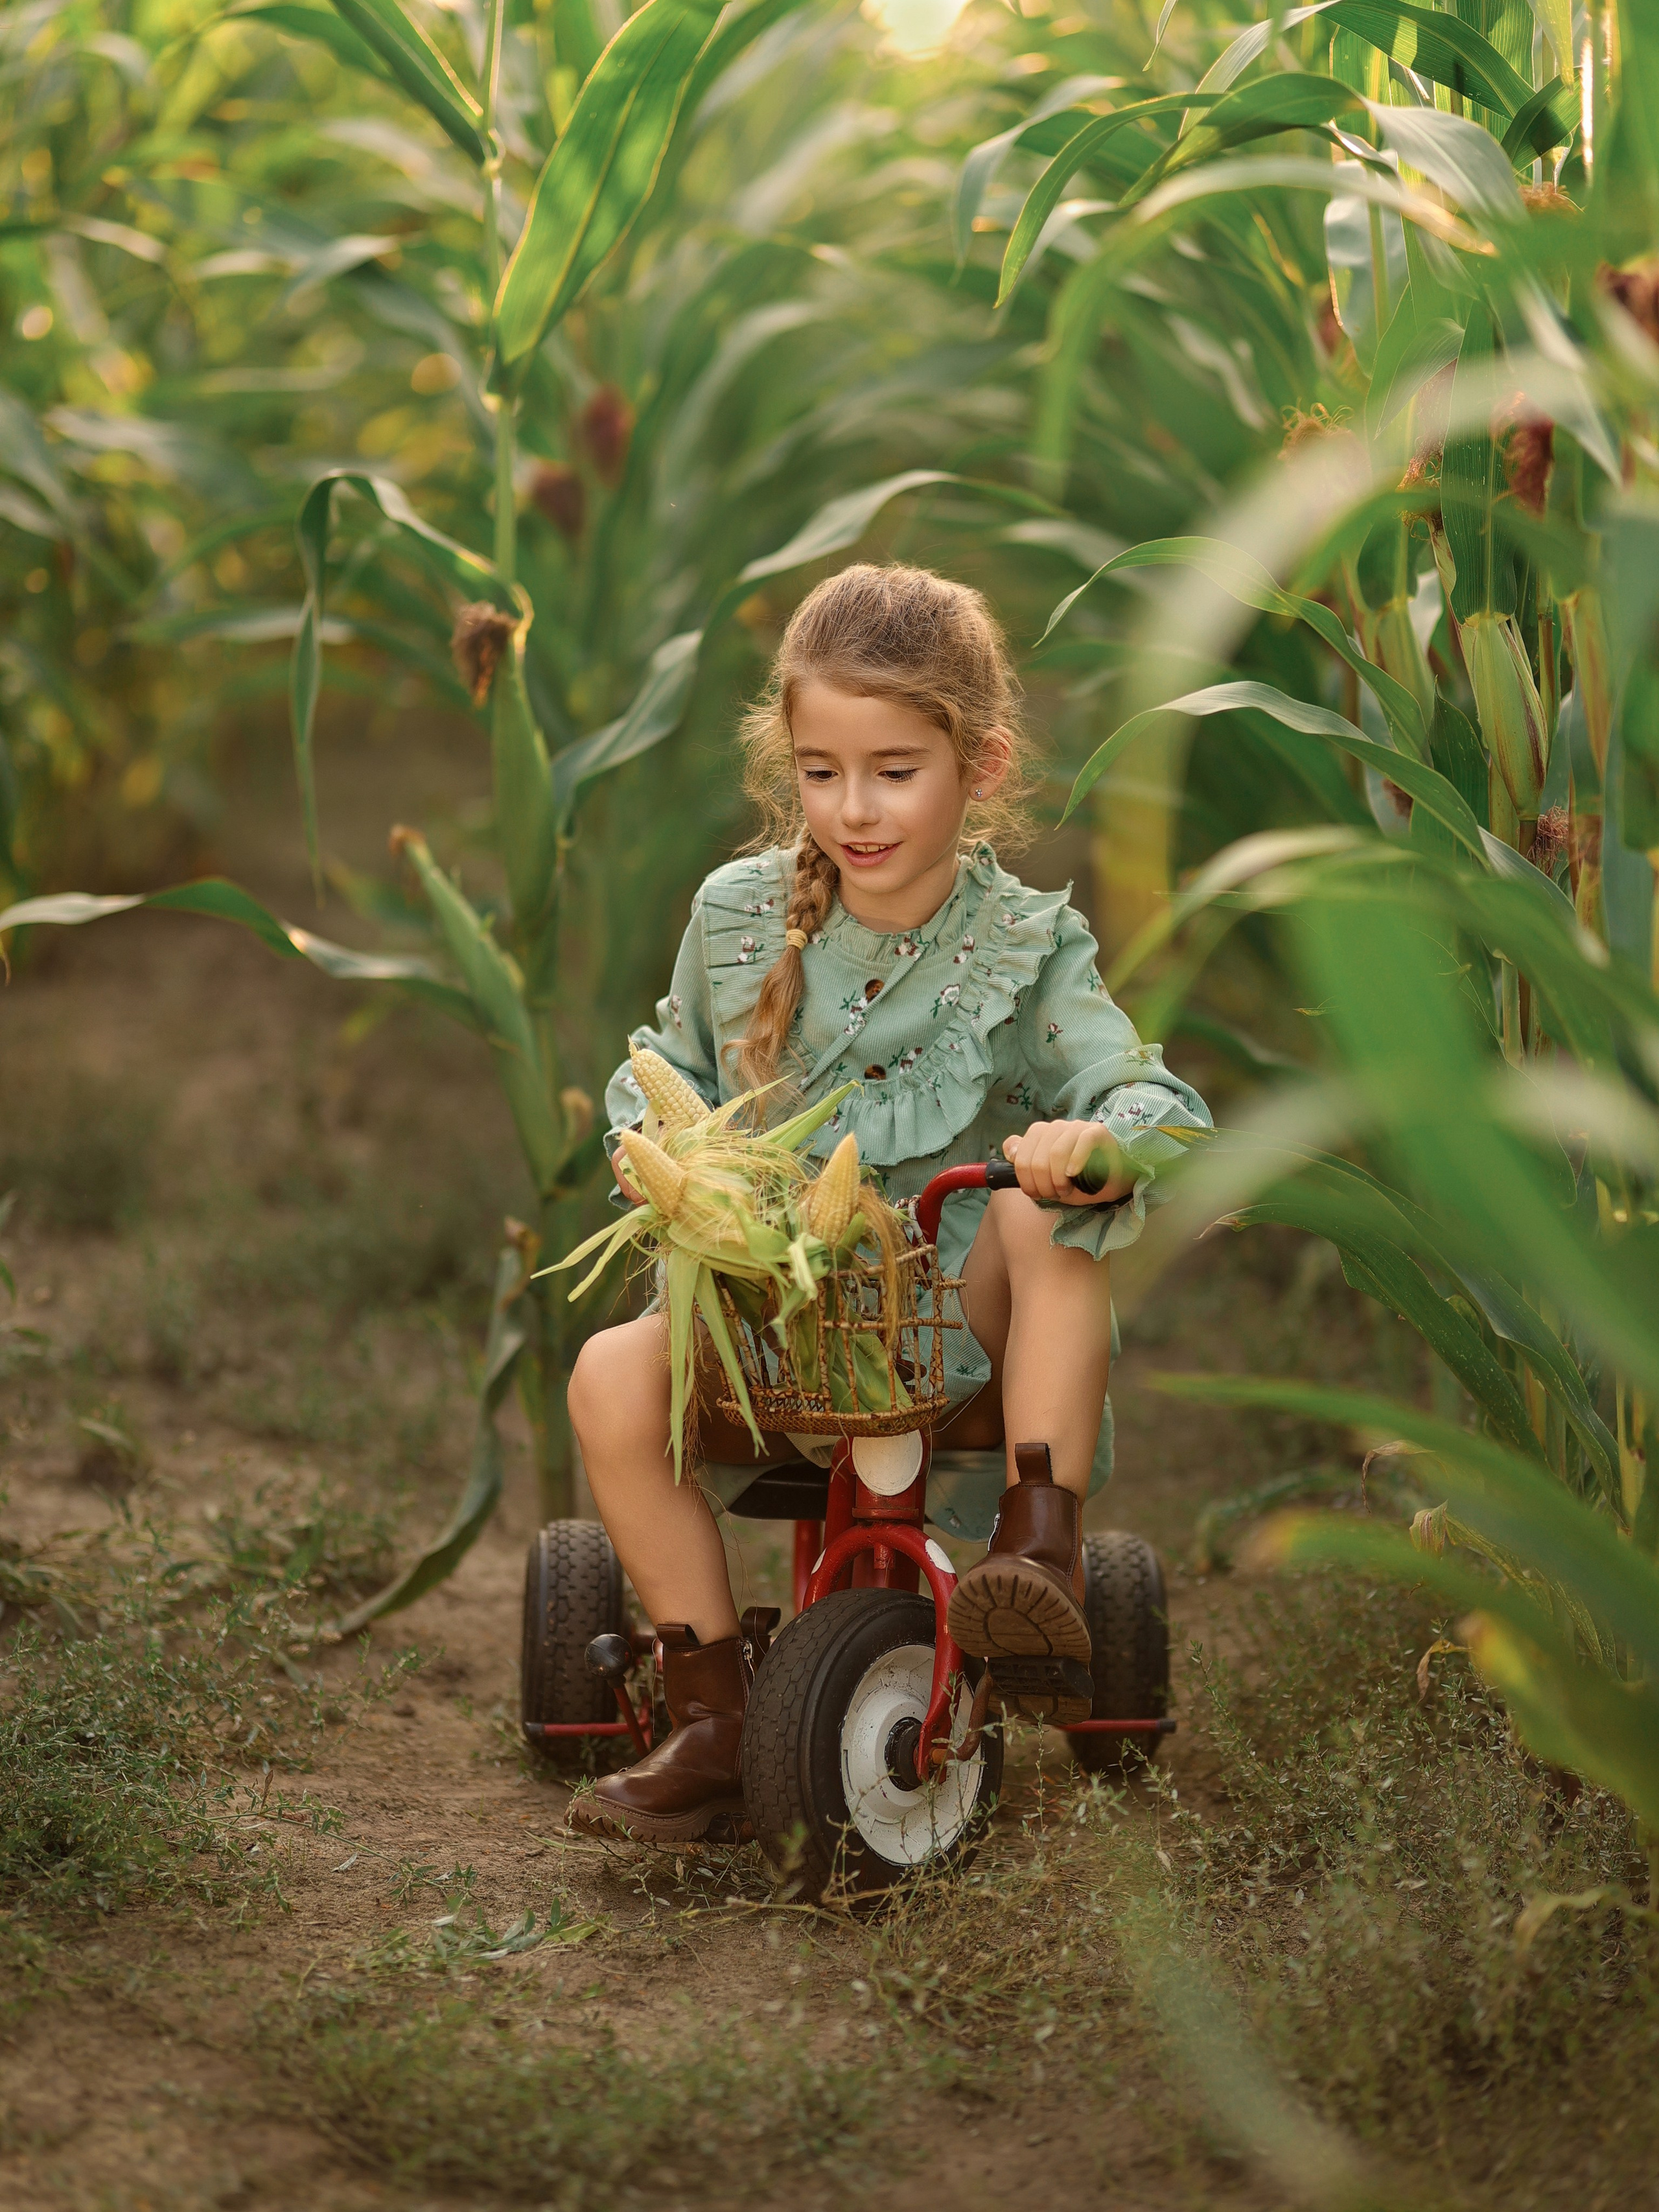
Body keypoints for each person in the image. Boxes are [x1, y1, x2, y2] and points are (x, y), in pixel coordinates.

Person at [566, 563, 1209, 1841]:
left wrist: (1094, 1143)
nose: (851, 811)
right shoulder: (739, 918)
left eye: (892, 773)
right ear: (790, 763)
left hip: (946, 1336)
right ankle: (709, 1710)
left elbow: (1151, 1097)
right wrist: (651, 1141)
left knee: (1042, 1217)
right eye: (819, 772)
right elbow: (666, 1068)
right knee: (605, 1374)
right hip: (773, 1334)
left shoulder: (1025, 946)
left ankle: (1034, 1560)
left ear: (979, 764)